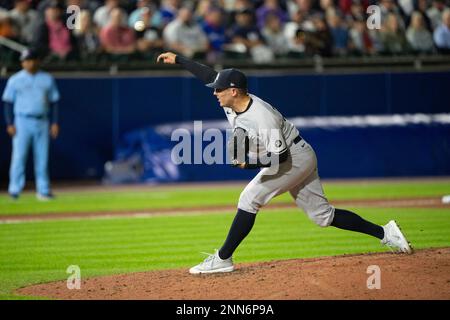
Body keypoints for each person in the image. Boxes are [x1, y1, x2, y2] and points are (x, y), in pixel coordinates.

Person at [156, 51, 413, 274]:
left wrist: (248, 165)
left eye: (219, 90)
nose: (215, 93)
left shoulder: (261, 117)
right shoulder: (233, 101)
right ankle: (386, 232)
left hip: (293, 158)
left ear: (233, 91)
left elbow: (281, 158)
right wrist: (178, 59)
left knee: (249, 199)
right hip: (298, 153)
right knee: (323, 216)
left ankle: (223, 259)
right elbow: (207, 74)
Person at [2, 49, 60, 200]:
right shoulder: (15, 79)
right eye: (26, 60)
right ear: (22, 62)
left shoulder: (47, 78)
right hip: (22, 121)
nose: (30, 63)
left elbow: (54, 102)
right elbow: (8, 102)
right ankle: (14, 189)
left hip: (42, 120)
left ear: (38, 61)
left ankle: (43, 190)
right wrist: (9, 123)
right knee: (19, 157)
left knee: (42, 158)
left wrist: (54, 122)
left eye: (32, 59)